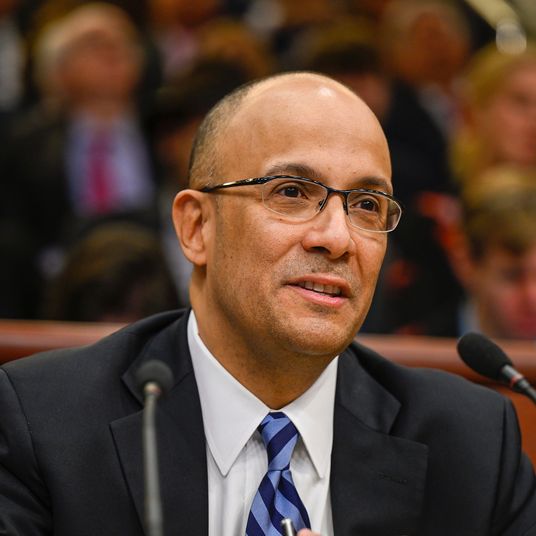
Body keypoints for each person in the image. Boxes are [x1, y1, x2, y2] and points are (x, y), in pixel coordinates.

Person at [1, 72, 535, 535]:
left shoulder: (471, 444)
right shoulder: (44, 423)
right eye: (291, 192)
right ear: (197, 227)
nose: (337, 238)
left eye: (367, 205)